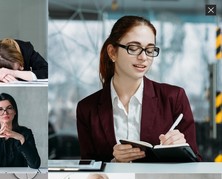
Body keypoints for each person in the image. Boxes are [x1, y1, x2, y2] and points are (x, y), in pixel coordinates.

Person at [76, 15, 200, 162]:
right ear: (112, 52)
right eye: (134, 48)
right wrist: (114, 163)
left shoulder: (174, 98)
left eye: (149, 49)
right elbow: (87, 168)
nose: (143, 57)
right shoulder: (87, 108)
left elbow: (196, 162)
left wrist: (182, 149)